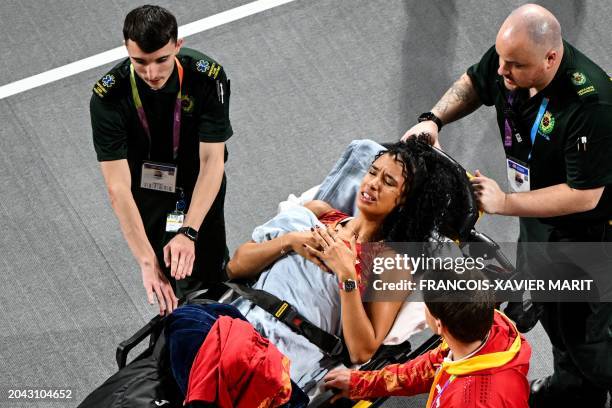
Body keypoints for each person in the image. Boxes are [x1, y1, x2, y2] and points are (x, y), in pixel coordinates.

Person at [401, 4, 612, 406]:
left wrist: (504, 201)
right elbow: (475, 83)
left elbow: (585, 195)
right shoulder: (510, 61)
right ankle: (574, 391)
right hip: (538, 224)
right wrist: (433, 119)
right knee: (552, 313)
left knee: (589, 338)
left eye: (514, 66)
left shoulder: (591, 103)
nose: (502, 72)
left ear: (551, 58)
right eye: (501, 61)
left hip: (590, 238)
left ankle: (591, 380)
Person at [166, 139, 470, 402]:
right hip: (238, 324)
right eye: (373, 172)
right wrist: (290, 241)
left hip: (282, 361)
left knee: (223, 354)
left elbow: (362, 351)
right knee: (185, 321)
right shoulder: (318, 214)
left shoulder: (390, 264)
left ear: (404, 201)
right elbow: (235, 266)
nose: (372, 184)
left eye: (388, 182)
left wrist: (347, 276)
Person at [90, 5, 233, 316]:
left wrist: (189, 231)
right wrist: (146, 261)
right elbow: (118, 188)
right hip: (148, 186)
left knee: (211, 259)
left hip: (199, 177)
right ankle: (181, 323)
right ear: (126, 49)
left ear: (177, 47)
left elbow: (212, 162)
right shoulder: (108, 97)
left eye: (161, 60)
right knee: (164, 270)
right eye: (139, 62)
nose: (151, 74)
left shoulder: (208, 77)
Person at [323, 268, 532, 407]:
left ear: (439, 324)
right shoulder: (484, 324)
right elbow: (429, 367)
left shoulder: (472, 401)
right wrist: (362, 383)